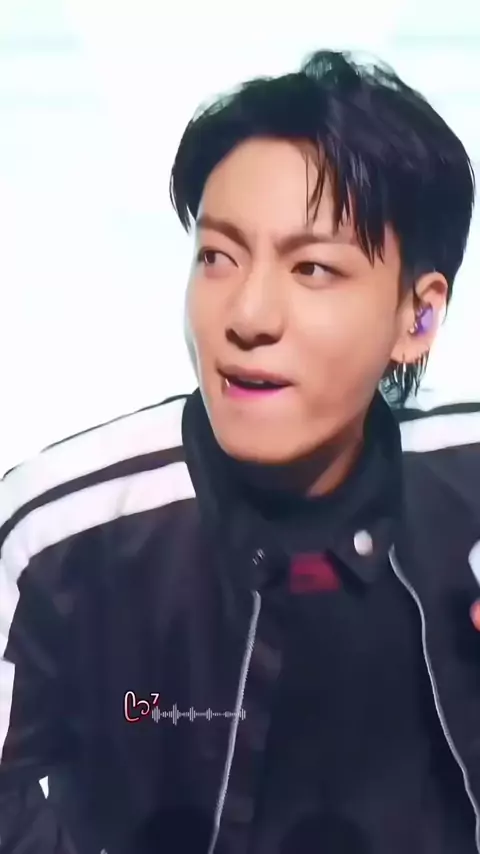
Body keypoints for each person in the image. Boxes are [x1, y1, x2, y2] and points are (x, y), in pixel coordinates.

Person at [0, 48, 479, 854]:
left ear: (419, 318)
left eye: (313, 267)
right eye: (218, 257)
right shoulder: (62, 534)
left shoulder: (467, 469)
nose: (248, 316)